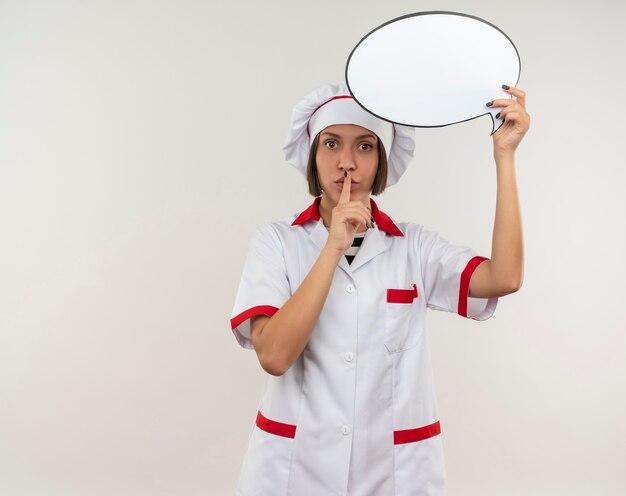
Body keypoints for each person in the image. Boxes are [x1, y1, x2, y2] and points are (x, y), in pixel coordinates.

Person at [229, 82, 530, 496]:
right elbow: (275, 355)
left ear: (383, 160)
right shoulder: (277, 242)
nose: (346, 163)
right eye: (331, 144)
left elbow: (505, 277)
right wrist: (334, 246)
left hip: (392, 474)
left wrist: (505, 156)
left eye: (365, 147)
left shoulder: (414, 249)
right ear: (313, 157)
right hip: (293, 472)